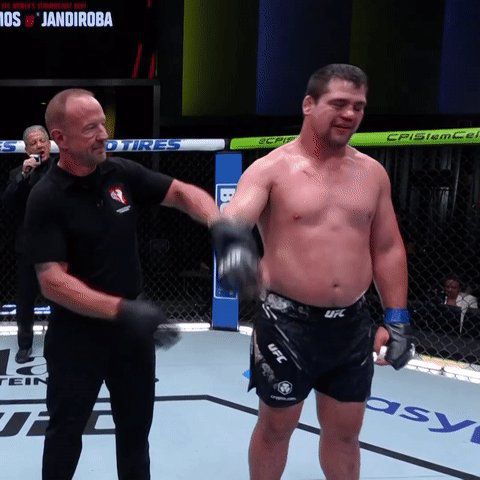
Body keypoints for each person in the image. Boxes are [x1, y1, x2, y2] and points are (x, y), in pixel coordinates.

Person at [212, 64, 414, 480]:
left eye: (358, 106)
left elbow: (387, 247)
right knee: (275, 428)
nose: (350, 114)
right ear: (309, 104)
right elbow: (234, 218)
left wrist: (397, 318)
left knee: (346, 434)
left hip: (351, 325)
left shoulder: (372, 174)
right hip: (286, 323)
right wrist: (234, 249)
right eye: (338, 103)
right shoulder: (272, 169)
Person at [23, 88, 219, 480]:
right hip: (78, 335)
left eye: (103, 124)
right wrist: (122, 310)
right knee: (65, 435)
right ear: (60, 138)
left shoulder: (121, 173)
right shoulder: (47, 197)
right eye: (90, 128)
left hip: (131, 333)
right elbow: (53, 282)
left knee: (134, 434)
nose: (103, 135)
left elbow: (180, 193)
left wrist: (221, 225)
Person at [2, 125, 55, 364]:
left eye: (42, 141)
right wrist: (23, 176)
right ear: (26, 149)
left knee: (60, 298)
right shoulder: (18, 173)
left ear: (49, 143)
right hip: (28, 247)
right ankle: (25, 345)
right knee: (25, 299)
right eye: (34, 143)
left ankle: (59, 342)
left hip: (56, 246)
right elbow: (7, 204)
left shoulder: (62, 169)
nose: (39, 145)